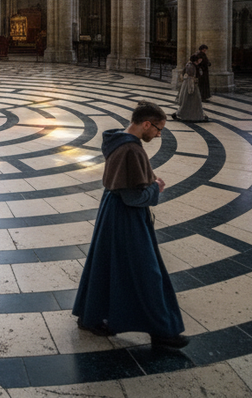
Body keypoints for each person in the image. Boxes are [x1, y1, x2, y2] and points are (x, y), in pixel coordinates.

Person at [72, 101, 189, 349]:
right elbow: (133, 197)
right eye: (158, 129)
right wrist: (155, 188)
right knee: (147, 273)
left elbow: (128, 180)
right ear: (146, 124)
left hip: (111, 209)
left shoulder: (119, 140)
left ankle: (90, 316)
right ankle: (162, 330)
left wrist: (147, 179)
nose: (158, 134)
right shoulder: (132, 150)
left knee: (104, 264)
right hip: (126, 217)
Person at [172, 54, 208, 122]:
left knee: (194, 101)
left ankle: (195, 115)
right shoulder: (191, 66)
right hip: (190, 85)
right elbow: (191, 76)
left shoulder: (193, 65)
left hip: (191, 84)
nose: (201, 60)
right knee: (188, 100)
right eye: (200, 59)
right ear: (196, 59)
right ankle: (180, 114)